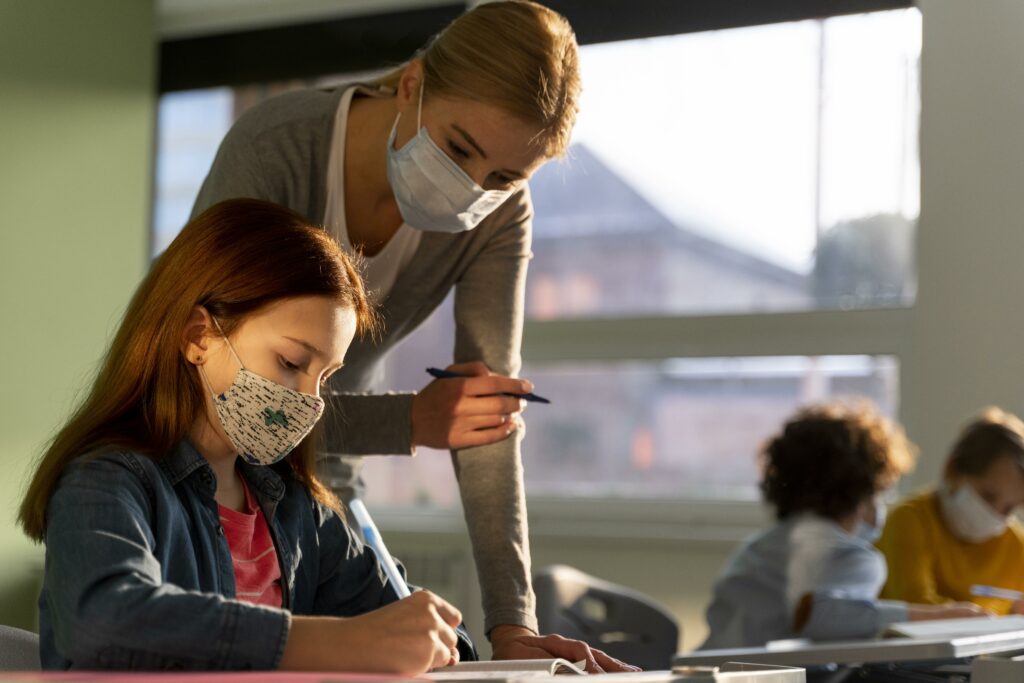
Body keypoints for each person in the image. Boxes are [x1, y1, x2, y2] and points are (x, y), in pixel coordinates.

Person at [188, 0, 613, 665]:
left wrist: (512, 628)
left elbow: (484, 420)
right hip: (197, 474)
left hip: (321, 488)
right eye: (458, 147)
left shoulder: (499, 218)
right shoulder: (278, 149)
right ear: (411, 84)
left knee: (448, 658)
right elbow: (211, 398)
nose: (471, 188)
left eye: (503, 177)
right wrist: (408, 420)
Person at [17, 199, 475, 672]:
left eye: (325, 376)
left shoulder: (299, 512)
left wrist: (441, 638)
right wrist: (337, 642)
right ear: (199, 337)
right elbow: (104, 622)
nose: (310, 399)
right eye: (293, 362)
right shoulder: (105, 481)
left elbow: (407, 617)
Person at [700, 403, 986, 650]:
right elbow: (820, 616)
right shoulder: (852, 557)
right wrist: (941, 616)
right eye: (880, 491)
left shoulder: (754, 551)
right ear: (862, 494)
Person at [877, 407, 1024, 614]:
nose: (994, 514)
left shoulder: (1016, 544)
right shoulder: (910, 520)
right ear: (952, 469)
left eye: (1009, 508)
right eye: (988, 496)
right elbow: (914, 604)